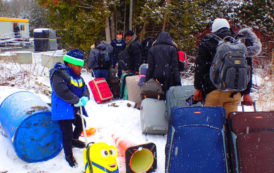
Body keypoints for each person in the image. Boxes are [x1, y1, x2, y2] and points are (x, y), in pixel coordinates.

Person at [193, 18, 248, 117]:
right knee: (230, 125)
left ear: (214, 29)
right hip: (234, 92)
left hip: (213, 90)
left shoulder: (208, 42)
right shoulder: (239, 42)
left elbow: (201, 67)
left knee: (212, 125)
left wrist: (198, 88)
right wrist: (246, 92)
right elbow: (248, 67)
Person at [50, 49, 90, 167]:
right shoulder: (58, 73)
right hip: (62, 108)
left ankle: (73, 140)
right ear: (70, 64)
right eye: (78, 66)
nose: (80, 69)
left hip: (72, 108)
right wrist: (76, 100)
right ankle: (68, 155)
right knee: (66, 131)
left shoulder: (78, 76)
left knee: (81, 123)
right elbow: (62, 91)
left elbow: (84, 88)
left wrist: (85, 97)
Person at [237, 27, 262, 105]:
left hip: (226, 88)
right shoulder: (247, 47)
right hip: (236, 90)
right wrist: (246, 92)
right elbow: (248, 71)